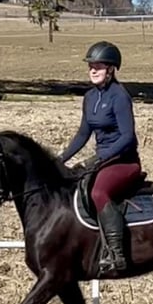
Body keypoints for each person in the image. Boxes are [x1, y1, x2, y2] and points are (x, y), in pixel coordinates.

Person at [58, 41, 143, 273]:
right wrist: (61, 158)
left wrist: (99, 158)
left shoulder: (120, 96)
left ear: (111, 70)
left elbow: (127, 137)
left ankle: (116, 254)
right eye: (91, 66)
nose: (93, 70)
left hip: (124, 162)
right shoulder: (89, 97)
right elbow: (83, 133)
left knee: (98, 192)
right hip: (103, 162)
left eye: (99, 66)